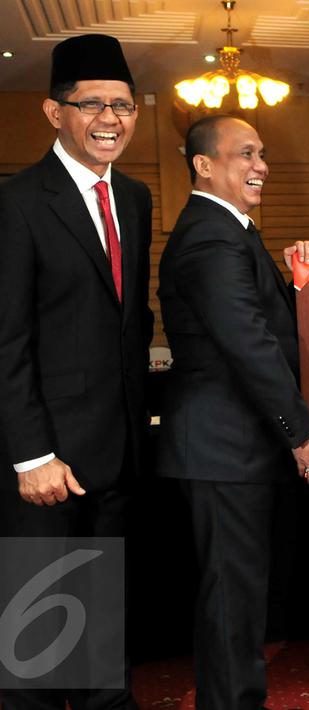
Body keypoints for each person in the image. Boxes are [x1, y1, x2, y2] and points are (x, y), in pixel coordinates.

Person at [158, 114, 309, 709]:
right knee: (231, 601)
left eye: (262, 153)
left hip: (234, 447)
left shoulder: (231, 231)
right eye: (244, 154)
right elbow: (249, 345)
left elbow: (268, 325)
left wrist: (302, 279)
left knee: (240, 597)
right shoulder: (211, 236)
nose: (260, 165)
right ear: (204, 166)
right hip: (222, 447)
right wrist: (303, 431)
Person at [0, 33, 150, 710]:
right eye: (90, 103)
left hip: (117, 449)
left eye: (122, 104)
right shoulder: (18, 201)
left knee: (103, 615)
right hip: (47, 459)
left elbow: (127, 323)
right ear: (53, 112)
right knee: (36, 629)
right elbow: (6, 339)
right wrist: (31, 455)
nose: (109, 118)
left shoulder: (138, 198)